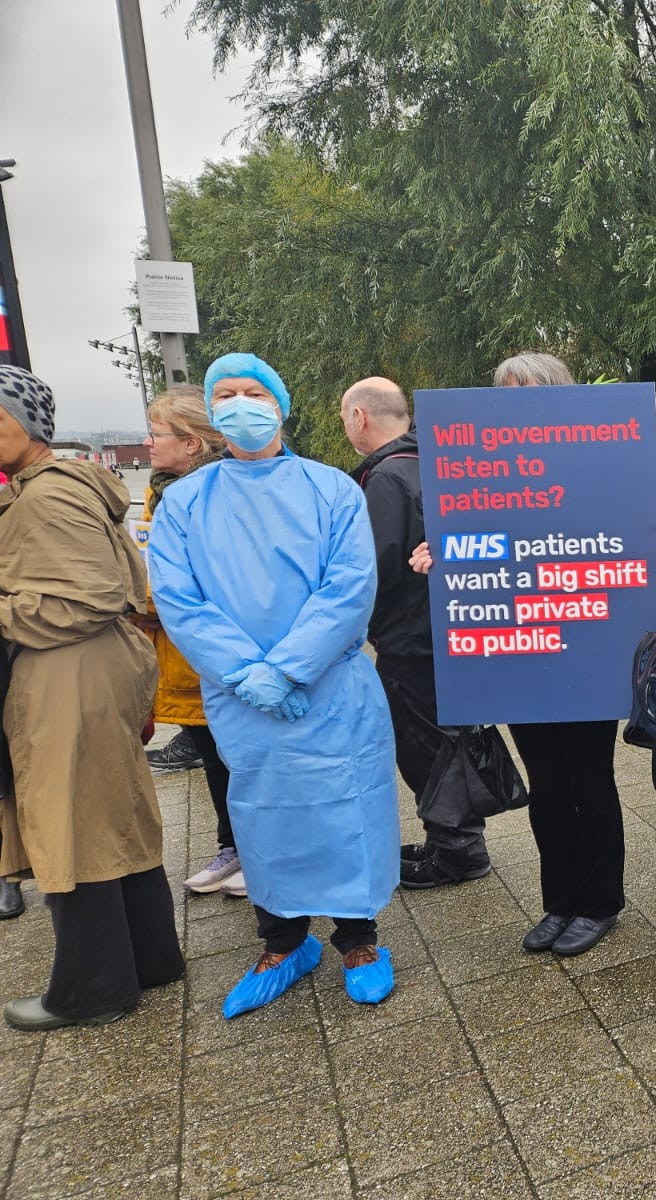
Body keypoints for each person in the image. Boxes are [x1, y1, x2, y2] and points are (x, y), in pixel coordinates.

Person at [149, 353, 400, 1016]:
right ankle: (283, 941)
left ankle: (358, 940)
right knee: (261, 816)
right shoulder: (184, 504)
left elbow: (348, 588)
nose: (240, 403)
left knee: (344, 806)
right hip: (243, 698)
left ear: (280, 405)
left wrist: (286, 667)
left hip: (329, 686)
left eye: (253, 392)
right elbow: (180, 599)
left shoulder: (332, 490)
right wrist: (244, 672)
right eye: (225, 393)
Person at [410, 350, 624, 957]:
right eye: (505, 395)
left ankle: (601, 902)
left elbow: (620, 534)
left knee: (591, 784)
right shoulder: (481, 474)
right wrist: (441, 561)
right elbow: (478, 545)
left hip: (585, 653)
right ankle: (559, 901)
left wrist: (650, 538)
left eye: (527, 394)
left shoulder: (597, 464)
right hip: (520, 654)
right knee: (548, 787)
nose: (515, 408)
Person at [0, 364, 184, 1029]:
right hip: (92, 669)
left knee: (70, 823)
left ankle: (92, 988)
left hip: (67, 673)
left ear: (27, 427)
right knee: (113, 813)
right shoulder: (63, 486)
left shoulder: (46, 494)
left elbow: (89, 596)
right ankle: (152, 958)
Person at [341, 376, 492, 888]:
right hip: (451, 632)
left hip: (409, 637)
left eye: (345, 419)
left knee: (422, 745)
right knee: (448, 741)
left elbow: (374, 568)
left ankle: (456, 850)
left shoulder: (385, 478)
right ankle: (456, 840)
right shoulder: (445, 463)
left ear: (360, 417)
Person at [137, 385, 245, 898]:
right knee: (212, 756)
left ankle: (255, 852)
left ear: (192, 444)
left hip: (215, 653)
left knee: (237, 759)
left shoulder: (218, 496)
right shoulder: (159, 494)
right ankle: (232, 847)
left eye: (157, 434)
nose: (148, 444)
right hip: (179, 655)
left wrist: (146, 600)